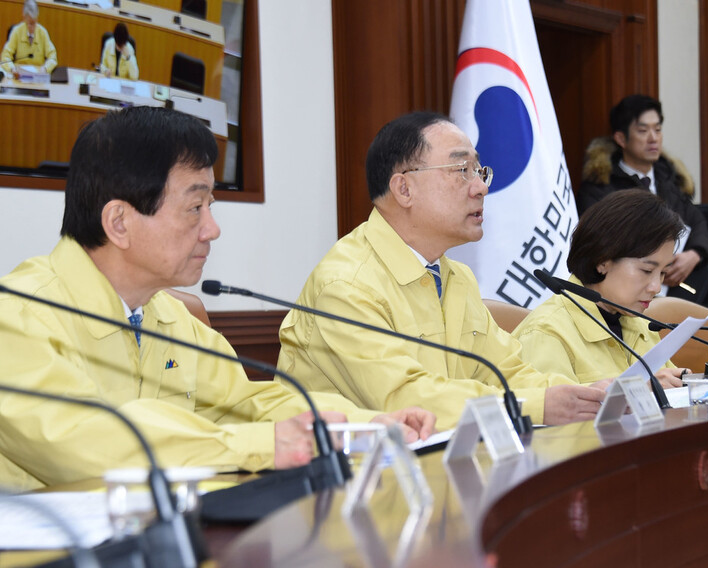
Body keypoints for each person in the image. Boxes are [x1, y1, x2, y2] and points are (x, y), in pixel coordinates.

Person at [0, 107, 435, 491]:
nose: (212, 229)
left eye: (212, 205)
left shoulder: (166, 314)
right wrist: (258, 447)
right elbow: (82, 442)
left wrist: (360, 425)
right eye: (195, 208)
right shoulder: (17, 316)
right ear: (119, 221)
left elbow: (247, 401)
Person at [277, 111, 607, 429]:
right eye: (461, 170)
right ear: (404, 189)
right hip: (353, 476)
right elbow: (405, 399)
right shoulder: (346, 285)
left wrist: (590, 394)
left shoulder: (456, 277)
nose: (481, 187)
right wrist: (535, 406)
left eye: (479, 171)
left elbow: (508, 371)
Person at [513, 189, 690, 384]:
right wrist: (638, 391)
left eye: (663, 272)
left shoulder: (639, 324)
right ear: (602, 261)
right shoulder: (546, 333)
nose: (656, 287)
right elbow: (552, 411)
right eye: (647, 271)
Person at [576, 94, 708, 302]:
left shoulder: (670, 178)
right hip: (626, 294)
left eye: (657, 129)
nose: (653, 138)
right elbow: (602, 244)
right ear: (621, 138)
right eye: (643, 130)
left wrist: (694, 254)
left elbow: (697, 221)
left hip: (674, 289)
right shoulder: (601, 186)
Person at [0, 0, 57, 75]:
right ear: (24, 18)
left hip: (38, 74)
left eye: (34, 23)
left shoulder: (42, 32)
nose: (32, 27)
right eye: (30, 23)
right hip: (18, 74)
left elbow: (52, 57)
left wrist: (46, 68)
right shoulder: (17, 31)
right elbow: (5, 56)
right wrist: (12, 68)